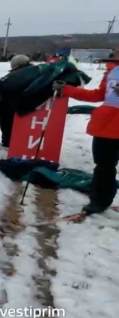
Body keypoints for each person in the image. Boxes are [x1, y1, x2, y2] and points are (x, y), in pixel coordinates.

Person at [53, 50, 119, 215]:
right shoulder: (113, 71)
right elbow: (98, 95)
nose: (114, 53)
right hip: (108, 127)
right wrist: (66, 89)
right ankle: (100, 200)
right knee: (104, 166)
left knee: (105, 166)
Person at [0, 54, 32, 150]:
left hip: (17, 101)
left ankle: (9, 143)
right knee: (6, 119)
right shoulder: (28, 70)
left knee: (7, 121)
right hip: (16, 100)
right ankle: (6, 141)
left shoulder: (22, 73)